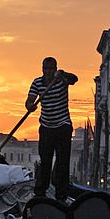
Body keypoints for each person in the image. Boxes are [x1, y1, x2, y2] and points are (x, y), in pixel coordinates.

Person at [26, 56, 78, 200]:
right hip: (46, 127)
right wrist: (30, 106)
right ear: (42, 69)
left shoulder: (62, 80)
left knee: (62, 161)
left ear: (55, 69)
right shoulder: (37, 83)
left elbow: (75, 79)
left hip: (63, 126)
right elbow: (29, 100)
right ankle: (40, 193)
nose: (47, 71)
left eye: (50, 68)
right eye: (45, 68)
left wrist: (64, 74)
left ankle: (61, 194)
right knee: (45, 160)